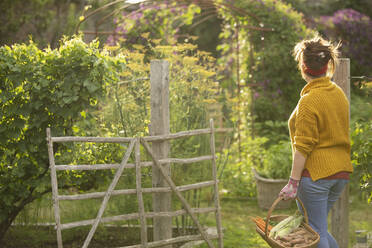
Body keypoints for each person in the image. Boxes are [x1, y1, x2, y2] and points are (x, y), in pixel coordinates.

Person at [279, 35, 353, 248]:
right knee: (318, 228)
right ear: (327, 64)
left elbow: (303, 146)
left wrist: (293, 182)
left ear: (303, 66)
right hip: (340, 174)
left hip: (316, 176)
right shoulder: (338, 94)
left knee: (314, 233)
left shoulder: (309, 101)